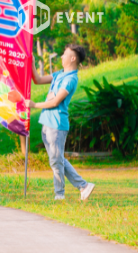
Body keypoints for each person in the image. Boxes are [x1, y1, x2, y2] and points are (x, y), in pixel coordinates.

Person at [26, 44, 95, 201]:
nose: (61, 56)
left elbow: (56, 101)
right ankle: (83, 186)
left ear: (72, 58)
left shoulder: (71, 79)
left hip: (57, 124)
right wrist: (31, 64)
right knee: (57, 160)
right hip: (47, 123)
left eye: (64, 54)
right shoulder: (59, 74)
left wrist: (34, 105)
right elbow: (37, 79)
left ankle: (61, 194)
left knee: (56, 161)